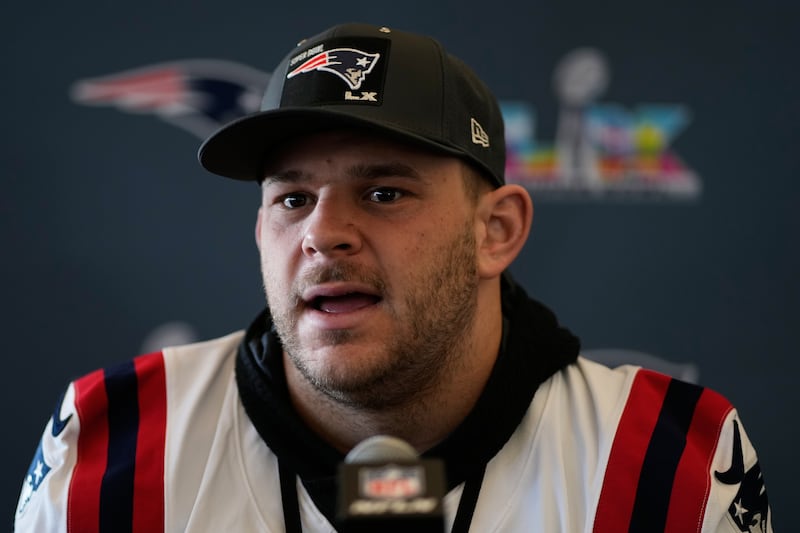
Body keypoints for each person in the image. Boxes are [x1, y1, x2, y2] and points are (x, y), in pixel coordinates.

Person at [15, 23, 772, 533]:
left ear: (496, 230)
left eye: (384, 192)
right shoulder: (110, 445)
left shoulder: (664, 463)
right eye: (292, 197)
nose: (321, 233)